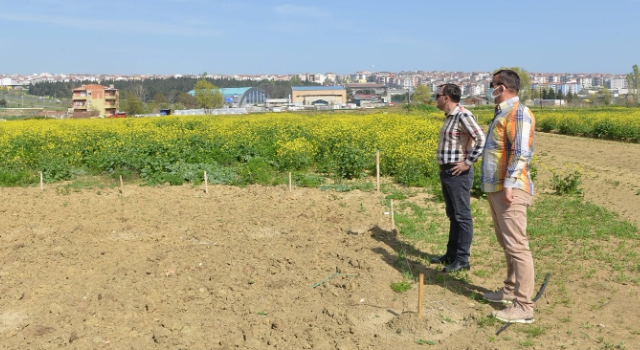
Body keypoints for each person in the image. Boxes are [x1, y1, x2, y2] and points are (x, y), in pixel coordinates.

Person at [481, 69, 537, 323]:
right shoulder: (502, 112)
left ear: (501, 87)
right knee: (507, 244)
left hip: (510, 190)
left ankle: (524, 307)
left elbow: (520, 151)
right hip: (498, 188)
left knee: (517, 246)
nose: (489, 89)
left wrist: (510, 185)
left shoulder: (518, 112)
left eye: (491, 85)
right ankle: (509, 290)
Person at [431, 83, 485, 273]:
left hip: (458, 174)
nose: (434, 98)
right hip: (447, 172)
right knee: (453, 216)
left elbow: (481, 140)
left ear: (446, 97)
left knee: (462, 217)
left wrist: (468, 163)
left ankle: (463, 259)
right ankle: (451, 255)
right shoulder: (450, 117)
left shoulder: (463, 115)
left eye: (436, 95)